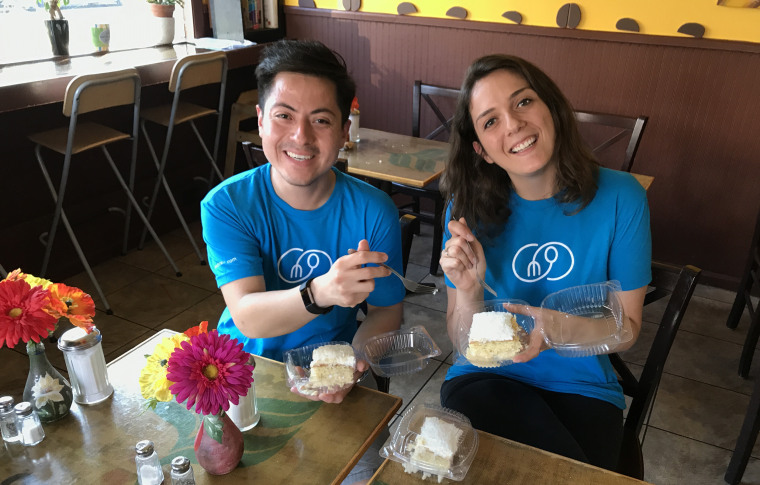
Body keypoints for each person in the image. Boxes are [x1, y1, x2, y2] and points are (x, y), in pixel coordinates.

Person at [200, 39, 405, 484]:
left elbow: (388, 309)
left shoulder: (374, 211)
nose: (301, 137)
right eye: (284, 116)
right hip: (243, 375)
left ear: (345, 131)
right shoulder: (227, 205)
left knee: (364, 474)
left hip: (335, 373)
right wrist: (321, 292)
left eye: (322, 120)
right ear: (259, 120)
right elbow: (247, 316)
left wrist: (349, 364)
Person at [438, 54, 651, 471]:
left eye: (522, 102)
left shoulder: (622, 197)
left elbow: (627, 330)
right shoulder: (467, 210)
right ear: (481, 150)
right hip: (487, 379)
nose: (513, 124)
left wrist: (554, 329)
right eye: (490, 120)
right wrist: (469, 291)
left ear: (552, 107)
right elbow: (463, 342)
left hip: (584, 386)